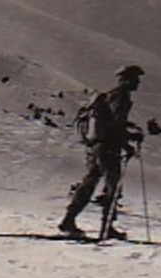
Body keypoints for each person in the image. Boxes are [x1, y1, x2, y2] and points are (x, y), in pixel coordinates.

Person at [58, 64, 145, 240]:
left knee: (90, 182)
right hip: (108, 147)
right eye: (136, 79)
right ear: (127, 79)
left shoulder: (110, 95)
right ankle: (107, 227)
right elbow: (115, 124)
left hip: (96, 146)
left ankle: (69, 220)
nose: (138, 82)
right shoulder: (121, 97)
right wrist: (128, 141)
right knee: (113, 185)